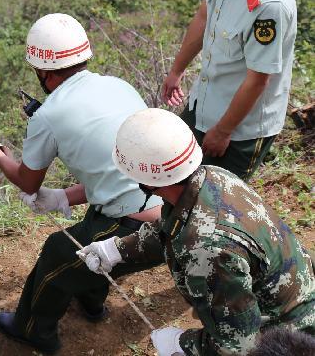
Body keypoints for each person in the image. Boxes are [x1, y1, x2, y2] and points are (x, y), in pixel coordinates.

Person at [0, 13, 164, 354]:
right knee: (92, 226)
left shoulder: (48, 115)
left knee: (56, 254)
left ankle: (33, 329)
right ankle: (92, 302)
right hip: (170, 210)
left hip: (140, 231)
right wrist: (64, 197)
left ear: (42, 70)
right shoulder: (119, 86)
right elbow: (118, 173)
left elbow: (27, 181)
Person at [79, 108, 315, 356]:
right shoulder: (211, 177)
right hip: (292, 298)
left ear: (146, 180)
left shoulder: (208, 249)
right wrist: (118, 249)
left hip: (288, 338)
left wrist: (184, 344)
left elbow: (237, 346)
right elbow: (175, 225)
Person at [162, 0, 297, 180]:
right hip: (204, 104)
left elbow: (258, 78)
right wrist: (176, 71)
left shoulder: (267, 2)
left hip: (241, 129)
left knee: (216, 208)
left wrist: (223, 131)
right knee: (172, 182)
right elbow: (204, 14)